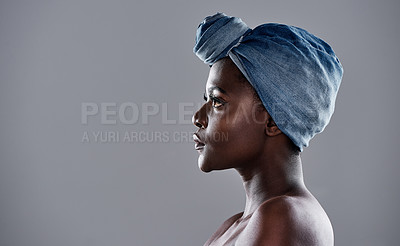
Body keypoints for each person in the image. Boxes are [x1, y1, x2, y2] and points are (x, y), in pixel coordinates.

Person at [191, 13, 343, 246]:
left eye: (217, 102)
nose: (198, 118)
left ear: (273, 120)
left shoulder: (282, 216)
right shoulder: (235, 225)